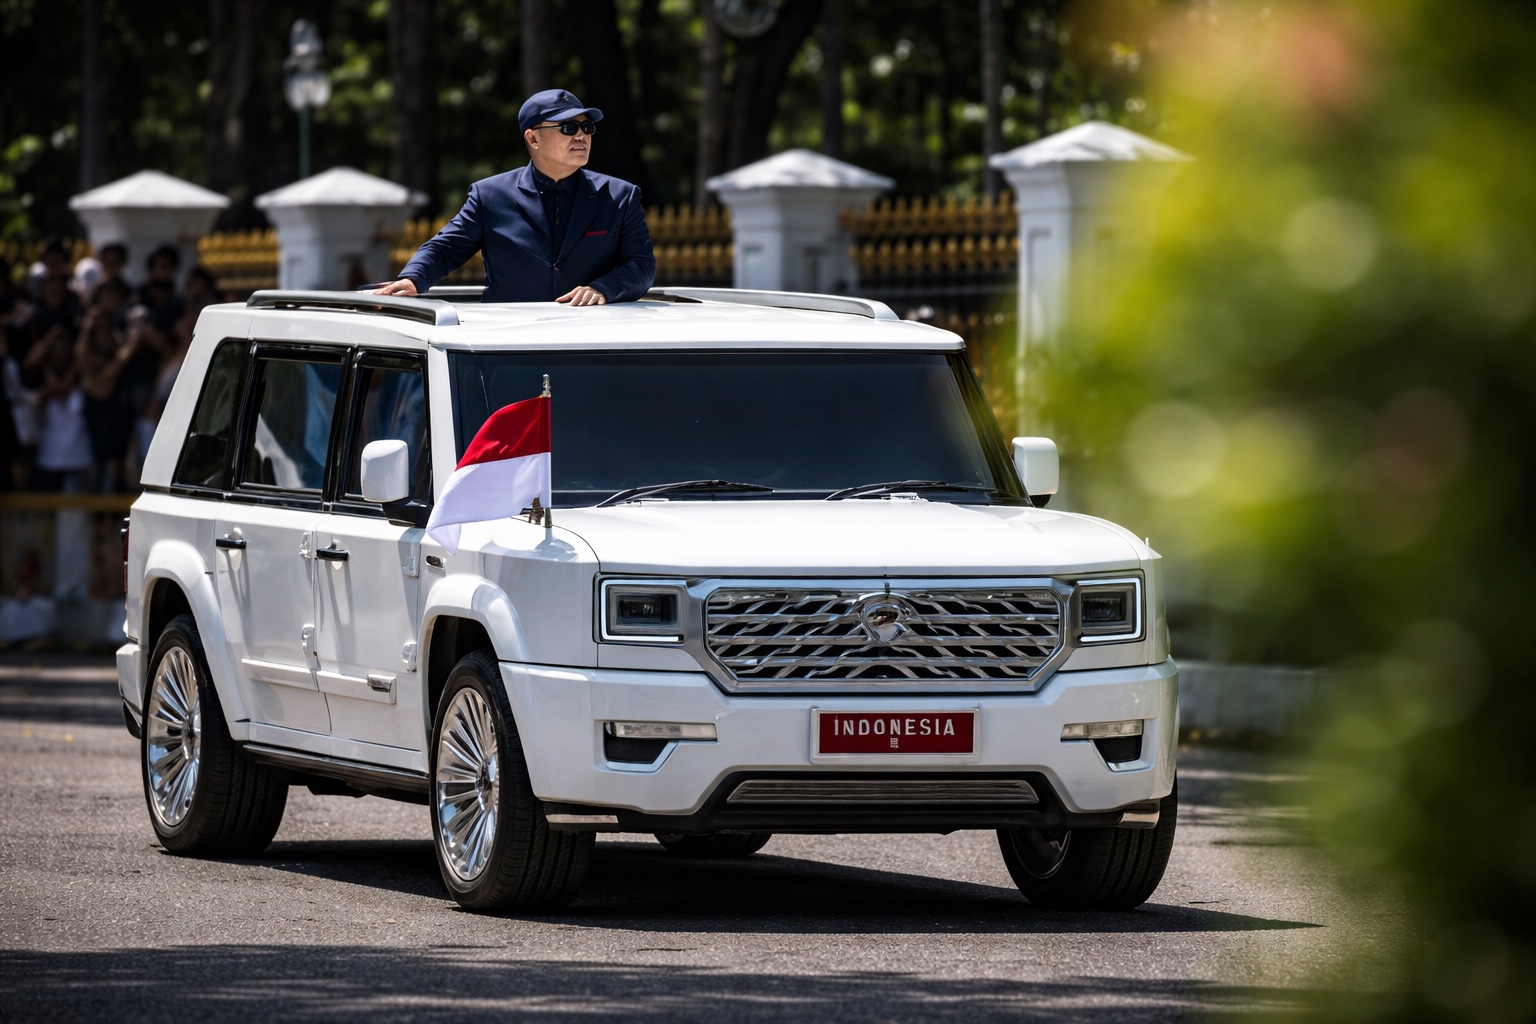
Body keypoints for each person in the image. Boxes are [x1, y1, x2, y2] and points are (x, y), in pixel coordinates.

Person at [375, 89, 655, 305]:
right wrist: (413, 279)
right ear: (533, 139)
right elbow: (445, 248)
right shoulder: (489, 195)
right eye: (569, 128)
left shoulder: (620, 195)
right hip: (508, 341)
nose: (581, 136)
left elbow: (642, 265)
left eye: (587, 127)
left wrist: (602, 289)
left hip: (590, 338)